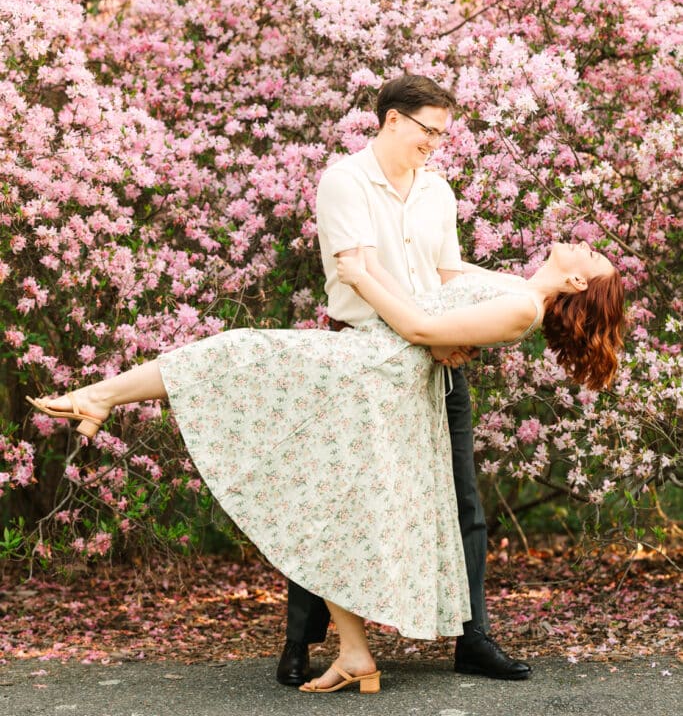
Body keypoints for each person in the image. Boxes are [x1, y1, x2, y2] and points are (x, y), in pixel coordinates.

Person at [28, 238, 624, 695]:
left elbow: (419, 327)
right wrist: (404, 292)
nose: (584, 242)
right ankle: (356, 653)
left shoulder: (522, 306)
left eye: (592, 254)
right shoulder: (515, 287)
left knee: (237, 351)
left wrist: (361, 276)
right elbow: (438, 282)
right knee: (325, 501)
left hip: (373, 376)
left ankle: (99, 397)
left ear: (577, 280)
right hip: (371, 370)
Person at [278, 74, 531, 690]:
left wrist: (522, 290)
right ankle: (300, 640)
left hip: (436, 361)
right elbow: (358, 274)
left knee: (462, 499)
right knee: (336, 498)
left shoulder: (437, 191)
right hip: (364, 357)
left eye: (442, 133)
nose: (435, 143)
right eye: (428, 130)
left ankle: (473, 638)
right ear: (392, 119)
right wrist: (423, 331)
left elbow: (447, 272)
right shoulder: (345, 180)